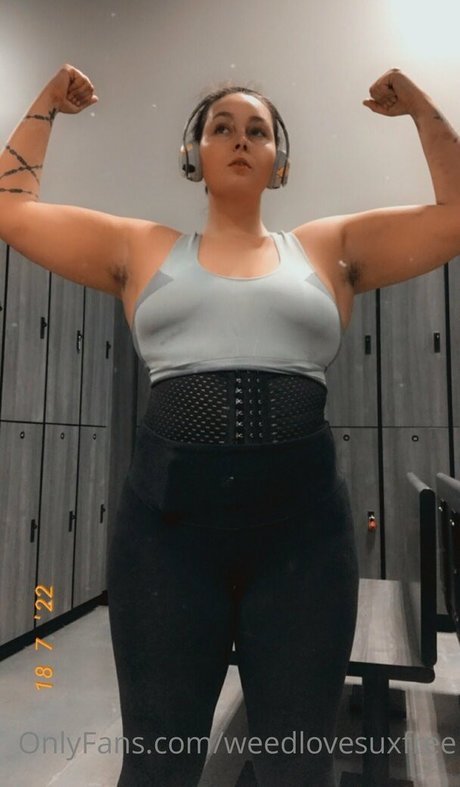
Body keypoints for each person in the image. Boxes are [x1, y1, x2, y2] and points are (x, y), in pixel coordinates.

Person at [1, 64, 459, 787]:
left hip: (303, 541)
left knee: (297, 766)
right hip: (167, 539)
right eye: (222, 128)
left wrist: (423, 109)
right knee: (158, 764)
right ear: (195, 154)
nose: (240, 139)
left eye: (257, 131)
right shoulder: (143, 248)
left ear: (280, 161)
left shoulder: (327, 248)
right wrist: (46, 104)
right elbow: (11, 210)